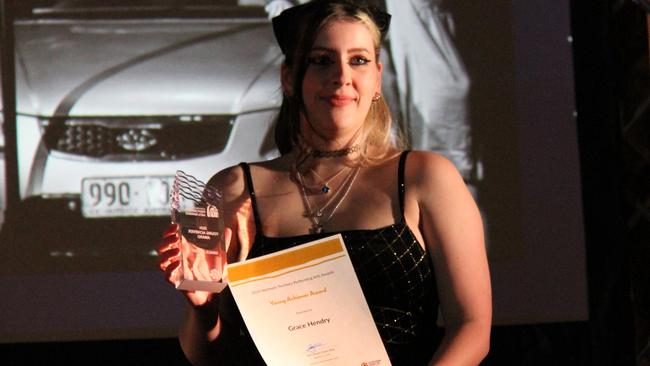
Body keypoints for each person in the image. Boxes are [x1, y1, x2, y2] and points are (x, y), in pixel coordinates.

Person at [157, 1, 491, 365]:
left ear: (377, 77)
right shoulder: (233, 190)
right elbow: (208, 357)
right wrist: (204, 310)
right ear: (289, 78)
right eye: (322, 60)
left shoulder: (425, 177)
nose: (342, 76)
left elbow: (472, 327)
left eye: (359, 60)